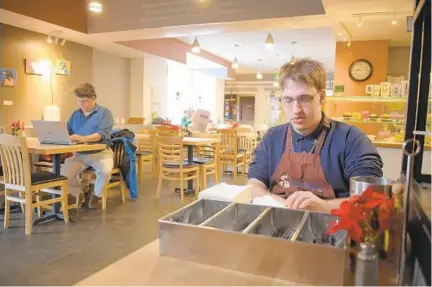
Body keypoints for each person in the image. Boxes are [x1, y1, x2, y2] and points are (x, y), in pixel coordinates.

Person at [247, 58, 383, 213]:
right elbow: (254, 186)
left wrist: (323, 207)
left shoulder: (351, 139)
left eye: (304, 99)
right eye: (288, 100)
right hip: (279, 222)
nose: (296, 109)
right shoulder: (272, 138)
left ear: (322, 98)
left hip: (332, 228)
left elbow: (371, 198)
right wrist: (288, 207)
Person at [61, 83, 114, 208]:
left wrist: (82, 138)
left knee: (105, 171)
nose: (81, 104)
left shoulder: (105, 113)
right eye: (79, 101)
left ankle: (96, 194)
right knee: (63, 173)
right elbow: (67, 131)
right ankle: (79, 193)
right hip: (80, 154)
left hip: (101, 153)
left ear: (94, 98)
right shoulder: (75, 114)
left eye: (84, 101)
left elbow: (102, 134)